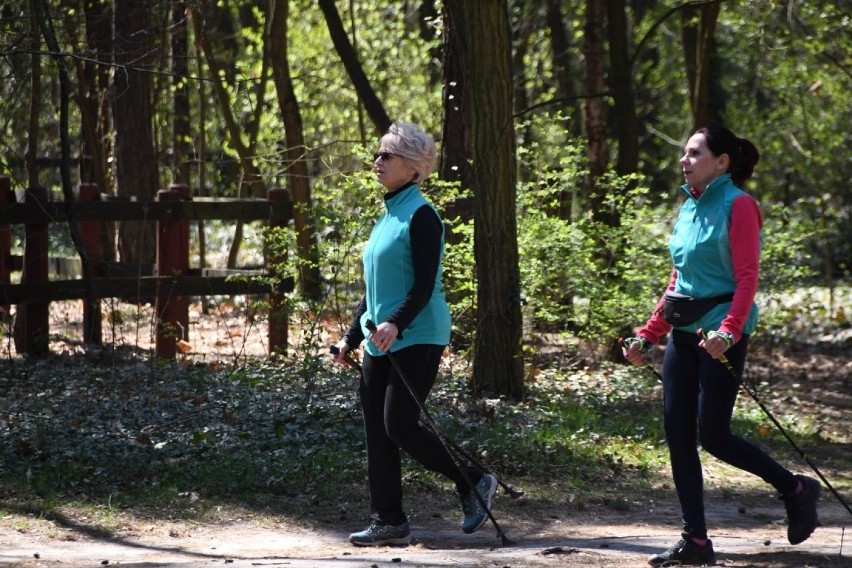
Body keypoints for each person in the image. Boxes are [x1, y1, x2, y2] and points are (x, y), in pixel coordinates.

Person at [622, 125, 821, 566]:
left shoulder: (740, 205)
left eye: (694, 153)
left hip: (720, 332)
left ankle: (796, 488)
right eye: (684, 154)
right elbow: (679, 280)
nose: (684, 160)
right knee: (677, 432)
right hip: (685, 330)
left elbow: (747, 277)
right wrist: (649, 335)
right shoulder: (688, 208)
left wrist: (729, 330)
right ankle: (695, 540)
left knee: (713, 435)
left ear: (722, 161)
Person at [331, 121, 497, 546]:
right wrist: (352, 337)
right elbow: (374, 290)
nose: (377, 161)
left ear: (413, 166)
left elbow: (424, 284)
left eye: (387, 155)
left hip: (419, 334)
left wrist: (396, 323)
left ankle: (474, 481)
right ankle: (389, 520)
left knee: (399, 424)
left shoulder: (422, 215)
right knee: (377, 428)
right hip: (379, 339)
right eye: (378, 154)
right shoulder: (386, 215)